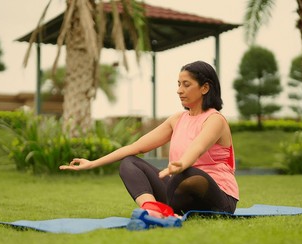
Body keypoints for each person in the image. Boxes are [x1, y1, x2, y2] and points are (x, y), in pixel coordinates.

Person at [59, 60, 239, 217]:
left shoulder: (215, 120)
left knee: (187, 174)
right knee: (129, 162)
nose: (179, 90)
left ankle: (170, 200)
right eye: (178, 84)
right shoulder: (177, 120)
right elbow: (137, 147)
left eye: (186, 84)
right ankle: (152, 210)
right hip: (179, 189)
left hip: (218, 197)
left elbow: (198, 147)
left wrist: (183, 163)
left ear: (205, 88)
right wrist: (92, 163)